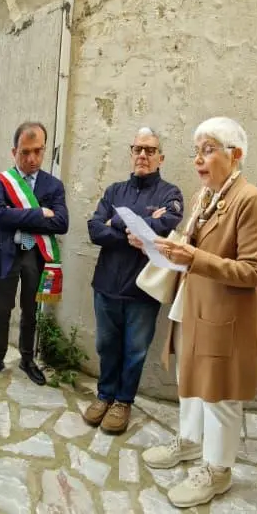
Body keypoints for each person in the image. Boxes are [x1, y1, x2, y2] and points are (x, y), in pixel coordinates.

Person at [141, 117, 257, 508]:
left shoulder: (251, 201)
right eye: (196, 150)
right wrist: (153, 244)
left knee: (220, 395)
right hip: (193, 305)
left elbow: (255, 270)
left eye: (208, 149)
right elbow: (189, 246)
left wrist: (195, 257)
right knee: (189, 380)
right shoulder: (204, 196)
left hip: (224, 315)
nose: (199, 158)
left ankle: (217, 471)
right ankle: (189, 442)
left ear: (235, 156)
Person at [84, 127, 184, 435]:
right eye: (138, 149)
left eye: (150, 150)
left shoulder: (170, 193)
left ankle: (123, 402)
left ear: (160, 157)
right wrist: (136, 227)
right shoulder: (114, 191)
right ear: (131, 153)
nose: (143, 155)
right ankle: (104, 395)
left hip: (142, 291)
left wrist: (119, 222)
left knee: (135, 351)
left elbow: (166, 225)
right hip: (107, 285)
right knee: (106, 345)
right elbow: (94, 228)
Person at [0, 122, 68, 387]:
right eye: (25, 152)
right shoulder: (0, 182)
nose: (32, 159)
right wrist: (40, 213)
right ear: (14, 151)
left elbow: (62, 222)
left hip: (35, 256)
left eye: (38, 151)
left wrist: (14, 216)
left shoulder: (53, 186)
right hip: (3, 255)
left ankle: (27, 358)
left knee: (31, 312)